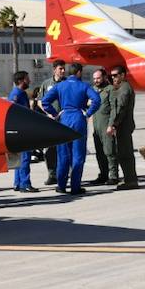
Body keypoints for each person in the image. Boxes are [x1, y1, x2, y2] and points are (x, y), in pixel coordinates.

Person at [41, 61, 101, 194]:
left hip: (64, 119)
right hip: (78, 118)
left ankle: (61, 186)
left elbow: (45, 101)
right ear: (79, 72)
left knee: (63, 155)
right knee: (78, 155)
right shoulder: (84, 86)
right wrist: (88, 113)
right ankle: (75, 187)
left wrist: (56, 114)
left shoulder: (60, 86)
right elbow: (97, 100)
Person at [31, 59, 67, 185]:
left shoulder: (68, 83)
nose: (63, 71)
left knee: (65, 149)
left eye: (63, 68)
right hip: (51, 120)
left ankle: (64, 174)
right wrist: (49, 114)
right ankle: (52, 174)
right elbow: (40, 101)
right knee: (50, 149)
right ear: (54, 70)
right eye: (60, 68)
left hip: (65, 120)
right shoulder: (46, 84)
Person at [105, 65, 138, 189]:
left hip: (123, 125)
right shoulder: (120, 88)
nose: (113, 78)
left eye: (115, 75)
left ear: (123, 75)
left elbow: (121, 108)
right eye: (111, 75)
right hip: (123, 125)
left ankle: (131, 181)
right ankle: (130, 179)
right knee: (124, 152)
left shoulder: (124, 89)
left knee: (125, 153)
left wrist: (113, 124)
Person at [8, 70, 39, 192]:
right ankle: (25, 184)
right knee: (25, 157)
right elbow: (12, 110)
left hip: (19, 129)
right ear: (21, 81)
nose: (29, 81)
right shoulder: (17, 94)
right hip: (21, 130)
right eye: (27, 79)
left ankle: (17, 182)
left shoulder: (21, 93)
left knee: (19, 158)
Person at [88, 68, 115, 185]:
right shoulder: (93, 90)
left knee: (110, 151)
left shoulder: (110, 90)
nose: (96, 80)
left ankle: (113, 175)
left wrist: (111, 125)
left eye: (98, 78)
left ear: (104, 77)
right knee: (99, 152)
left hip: (106, 125)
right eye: (94, 78)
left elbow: (114, 109)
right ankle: (103, 174)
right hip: (96, 126)